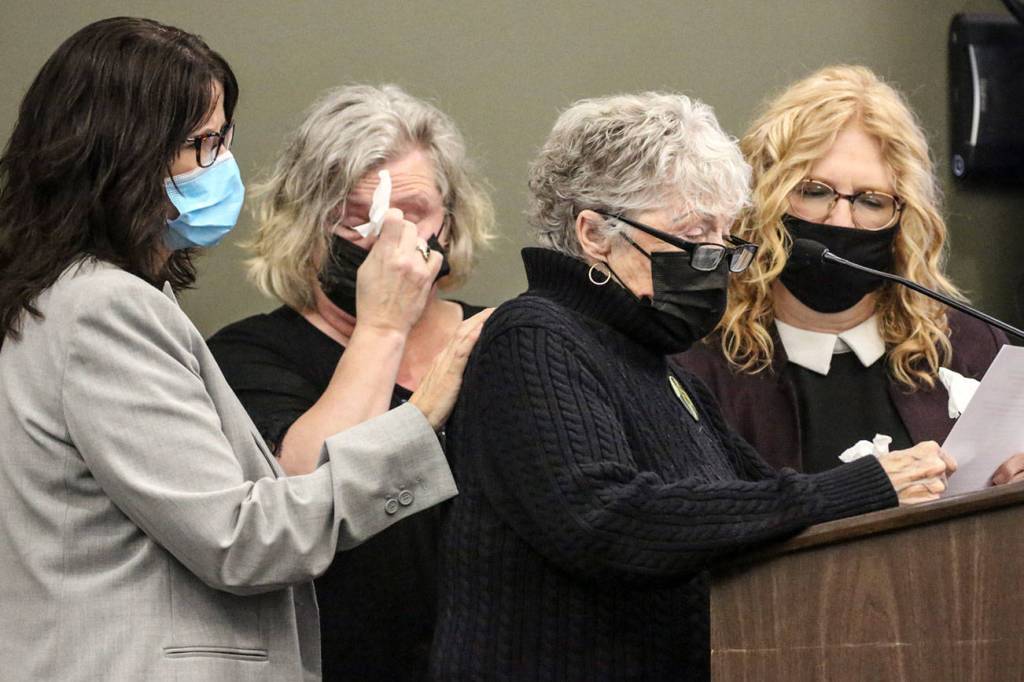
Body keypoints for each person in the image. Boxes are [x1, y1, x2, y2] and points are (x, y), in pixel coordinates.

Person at [0, 18, 479, 682]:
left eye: (224, 138)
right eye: (202, 144)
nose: (223, 164)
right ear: (122, 158)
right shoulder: (105, 308)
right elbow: (243, 542)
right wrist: (418, 420)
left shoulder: (80, 295)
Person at [428, 91, 955, 682]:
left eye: (725, 240)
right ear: (595, 233)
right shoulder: (534, 336)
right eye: (694, 236)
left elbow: (762, 503)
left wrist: (944, 488)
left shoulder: (659, 366)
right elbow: (605, 522)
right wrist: (857, 487)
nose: (715, 262)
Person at [206, 84, 494, 680]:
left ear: (450, 219)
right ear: (305, 225)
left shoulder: (497, 340)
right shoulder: (249, 355)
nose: (388, 234)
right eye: (356, 216)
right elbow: (302, 500)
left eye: (413, 211)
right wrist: (383, 325)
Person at [676, 65, 1021, 483]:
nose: (840, 220)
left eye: (871, 202)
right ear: (764, 198)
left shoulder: (969, 345)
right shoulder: (699, 361)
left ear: (903, 216)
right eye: (814, 191)